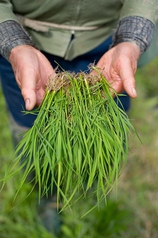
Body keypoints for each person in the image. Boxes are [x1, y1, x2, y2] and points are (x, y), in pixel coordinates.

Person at [0, 0, 158, 235]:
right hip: (26, 42)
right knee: (32, 131)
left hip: (107, 41)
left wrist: (131, 38)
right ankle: (47, 193)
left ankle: (92, 182)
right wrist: (13, 43)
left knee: (105, 129)